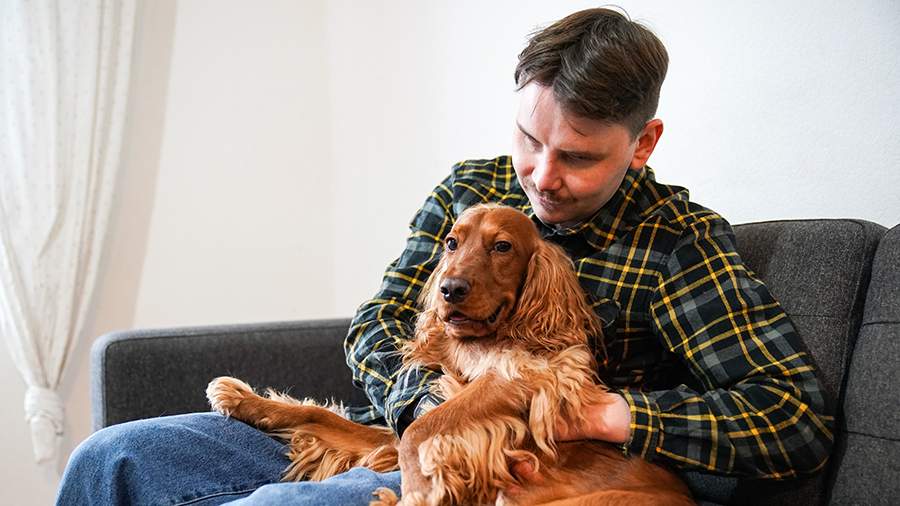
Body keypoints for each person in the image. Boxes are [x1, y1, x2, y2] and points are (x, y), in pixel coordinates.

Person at [57, 7, 832, 505]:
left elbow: (792, 417)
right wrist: (427, 415)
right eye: (529, 139)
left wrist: (602, 414)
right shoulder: (472, 189)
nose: (541, 177)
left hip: (520, 480)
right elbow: (378, 326)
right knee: (112, 459)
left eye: (577, 157)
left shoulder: (675, 242)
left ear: (642, 144)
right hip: (388, 434)